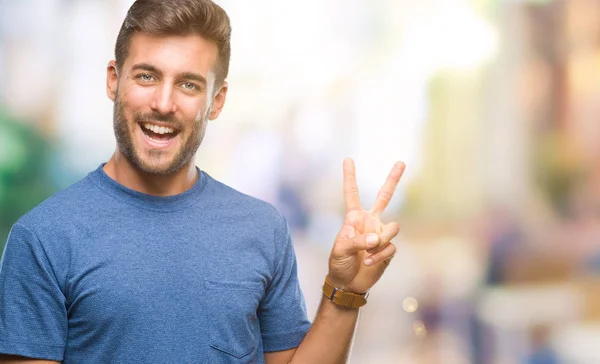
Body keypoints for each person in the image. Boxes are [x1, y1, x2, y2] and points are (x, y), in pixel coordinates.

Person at [0, 0, 405, 363]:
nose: (163, 102)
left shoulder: (263, 230)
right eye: (145, 76)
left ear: (218, 101)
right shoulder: (43, 239)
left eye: (189, 84)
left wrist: (343, 295)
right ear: (113, 80)